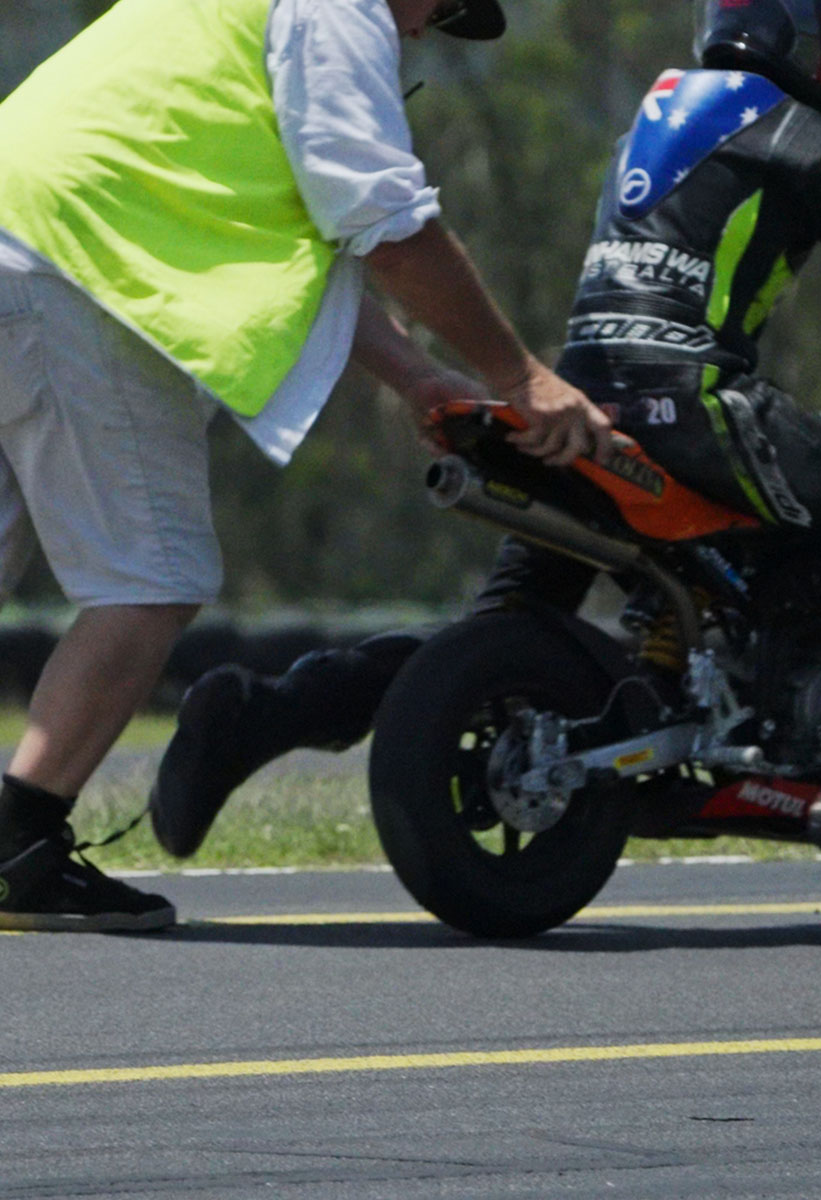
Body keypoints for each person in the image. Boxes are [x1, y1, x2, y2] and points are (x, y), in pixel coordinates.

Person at [151, 0, 821, 887]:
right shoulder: (812, 140)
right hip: (698, 405)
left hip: (582, 409)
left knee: (511, 631)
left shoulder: (660, 112)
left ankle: (269, 712)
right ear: (819, 39)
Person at [0, 0, 613, 933]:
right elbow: (385, 225)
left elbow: (320, 242)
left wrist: (413, 376)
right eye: (441, 12)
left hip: (20, 234)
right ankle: (19, 849)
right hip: (73, 269)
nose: (424, 36)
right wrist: (520, 375)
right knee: (151, 578)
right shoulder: (336, 9)